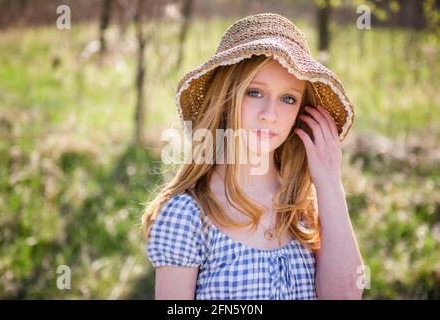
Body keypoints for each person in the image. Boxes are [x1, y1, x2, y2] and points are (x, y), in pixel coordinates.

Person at [141, 13, 363, 300]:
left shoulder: (303, 209)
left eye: (288, 99)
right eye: (255, 92)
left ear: (300, 113)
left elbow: (345, 297)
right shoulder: (189, 215)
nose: (270, 114)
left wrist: (330, 182)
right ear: (224, 98)